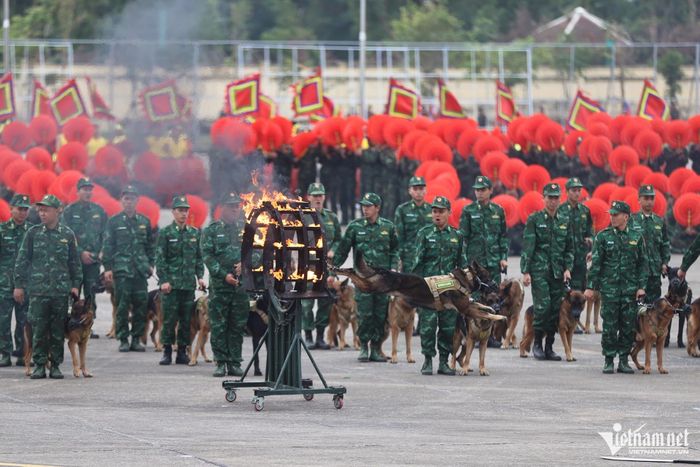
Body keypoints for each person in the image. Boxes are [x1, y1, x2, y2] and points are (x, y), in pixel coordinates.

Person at [14, 194, 81, 379]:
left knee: (58, 329)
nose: (42, 213)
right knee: (39, 329)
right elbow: (22, 261)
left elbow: (74, 263)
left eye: (46, 210)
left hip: (60, 291)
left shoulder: (67, 234)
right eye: (40, 210)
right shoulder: (33, 233)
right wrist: (19, 285)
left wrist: (76, 285)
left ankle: (56, 365)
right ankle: (39, 364)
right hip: (38, 290)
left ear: (57, 210)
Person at [330, 192, 399, 362]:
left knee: (380, 315)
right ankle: (363, 347)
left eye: (369, 206)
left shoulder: (388, 227)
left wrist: (394, 269)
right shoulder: (355, 227)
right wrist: (333, 271)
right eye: (363, 206)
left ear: (377, 208)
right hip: (362, 281)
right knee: (364, 314)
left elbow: (395, 250)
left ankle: (376, 348)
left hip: (382, 281)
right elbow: (343, 250)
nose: (365, 209)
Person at [585, 201, 648, 374]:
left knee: (627, 326)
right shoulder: (603, 237)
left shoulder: (636, 236)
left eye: (615, 214)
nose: (612, 217)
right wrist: (591, 287)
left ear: (625, 217)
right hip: (610, 289)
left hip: (629, 290)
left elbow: (643, 263)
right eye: (611, 214)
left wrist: (641, 287)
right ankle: (608, 359)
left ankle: (623, 360)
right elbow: (596, 264)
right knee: (610, 327)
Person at [410, 196, 465, 376]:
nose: (437, 214)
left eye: (441, 211)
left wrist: (462, 290)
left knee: (448, 326)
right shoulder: (424, 234)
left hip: (449, 289)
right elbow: (417, 263)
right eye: (434, 211)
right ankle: (427, 360)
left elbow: (461, 265)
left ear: (449, 213)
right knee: (428, 325)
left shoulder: (457, 236)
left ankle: (443, 361)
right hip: (429, 288)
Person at [521, 183, 573, 361]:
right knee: (542, 308)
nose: (552, 201)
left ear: (560, 199)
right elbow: (528, 246)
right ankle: (537, 344)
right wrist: (526, 271)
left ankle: (549, 346)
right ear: (543, 199)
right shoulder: (535, 219)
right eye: (549, 197)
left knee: (555, 310)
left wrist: (568, 268)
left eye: (556, 197)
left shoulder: (565, 220)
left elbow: (569, 248)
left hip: (558, 271)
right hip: (539, 270)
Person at [102, 185, 155, 353]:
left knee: (141, 306)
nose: (129, 201)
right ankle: (123, 339)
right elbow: (108, 245)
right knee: (122, 306)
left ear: (137, 201)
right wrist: (108, 268)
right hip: (122, 271)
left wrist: (151, 264)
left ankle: (136, 339)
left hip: (140, 271)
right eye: (126, 198)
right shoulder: (114, 222)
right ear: (121, 201)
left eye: (132, 198)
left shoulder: (144, 222)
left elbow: (151, 246)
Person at [201, 193, 248, 377]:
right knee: (219, 325)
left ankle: (235, 362)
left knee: (237, 325)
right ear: (223, 208)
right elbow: (207, 256)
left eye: (238, 206)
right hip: (220, 286)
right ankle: (221, 362)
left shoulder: (246, 229)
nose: (236, 209)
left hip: (240, 286)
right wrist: (223, 274)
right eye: (232, 206)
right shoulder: (211, 230)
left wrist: (246, 264)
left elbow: (257, 250)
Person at [156, 196, 205, 365]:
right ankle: (167, 351)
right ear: (173, 212)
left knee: (186, 320)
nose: (183, 213)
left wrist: (200, 277)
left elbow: (199, 258)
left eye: (186, 210)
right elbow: (160, 259)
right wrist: (164, 280)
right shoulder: (165, 233)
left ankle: (182, 352)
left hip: (187, 285)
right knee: (169, 319)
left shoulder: (194, 233)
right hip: (171, 285)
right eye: (180, 210)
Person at [62, 177, 107, 339]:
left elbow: (105, 235)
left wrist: (101, 254)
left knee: (90, 294)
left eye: (90, 189)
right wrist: (80, 252)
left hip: (93, 262)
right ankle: (71, 323)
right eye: (84, 189)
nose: (88, 192)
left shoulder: (99, 211)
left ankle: (89, 324)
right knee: (73, 293)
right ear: (78, 191)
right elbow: (65, 236)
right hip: (74, 261)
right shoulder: (69, 211)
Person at [302, 183, 340, 350]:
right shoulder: (302, 217)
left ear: (324, 197)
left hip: (328, 266)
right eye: (315, 195)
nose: (318, 199)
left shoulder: (331, 217)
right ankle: (308, 335)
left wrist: (333, 250)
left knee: (326, 301)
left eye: (320, 196)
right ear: (308, 197)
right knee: (307, 302)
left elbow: (339, 239)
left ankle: (320, 335)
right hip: (308, 266)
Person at [557, 177, 593, 333]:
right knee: (564, 290)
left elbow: (590, 230)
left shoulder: (585, 211)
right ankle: (562, 320)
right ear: (567, 192)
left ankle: (574, 321)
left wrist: (590, 241)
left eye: (579, 190)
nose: (577, 193)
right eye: (574, 190)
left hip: (580, 257)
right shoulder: (560, 210)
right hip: (564, 257)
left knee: (579, 289)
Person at [0, 194, 32, 367]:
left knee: (24, 320)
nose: (22, 212)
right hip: (4, 283)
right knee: (3, 320)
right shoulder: (2, 230)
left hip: (25, 284)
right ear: (11, 209)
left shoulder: (33, 231)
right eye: (19, 209)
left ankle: (22, 352)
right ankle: (5, 353)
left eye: (25, 209)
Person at [459, 175, 508, 286]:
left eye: (483, 189)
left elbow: (503, 236)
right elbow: (463, 238)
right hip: (475, 263)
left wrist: (503, 258)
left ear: (490, 190)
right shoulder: (468, 210)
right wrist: (463, 262)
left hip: (493, 262)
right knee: (475, 297)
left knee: (494, 296)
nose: (479, 192)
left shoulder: (498, 211)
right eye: (477, 190)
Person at [393, 176, 432, 272]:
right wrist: (399, 258)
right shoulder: (402, 210)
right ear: (409, 191)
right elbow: (399, 237)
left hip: (429, 256)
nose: (418, 192)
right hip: (409, 258)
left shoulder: (432, 210)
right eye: (415, 189)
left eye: (421, 189)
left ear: (425, 190)